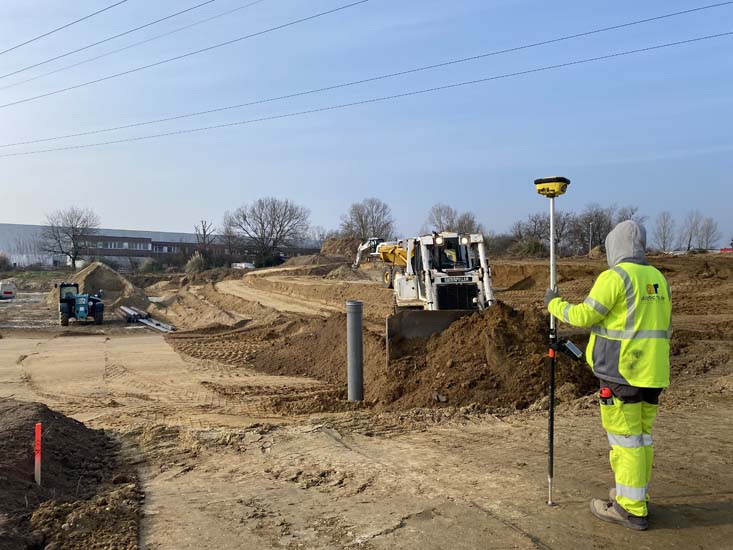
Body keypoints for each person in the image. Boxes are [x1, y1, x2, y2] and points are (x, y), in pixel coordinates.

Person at [545, 220, 672, 531]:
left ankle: (629, 509)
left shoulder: (615, 277)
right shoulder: (658, 278)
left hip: (622, 373)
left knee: (625, 441)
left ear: (614, 246)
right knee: (640, 439)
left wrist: (555, 304)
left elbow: (584, 315)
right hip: (653, 374)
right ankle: (634, 495)